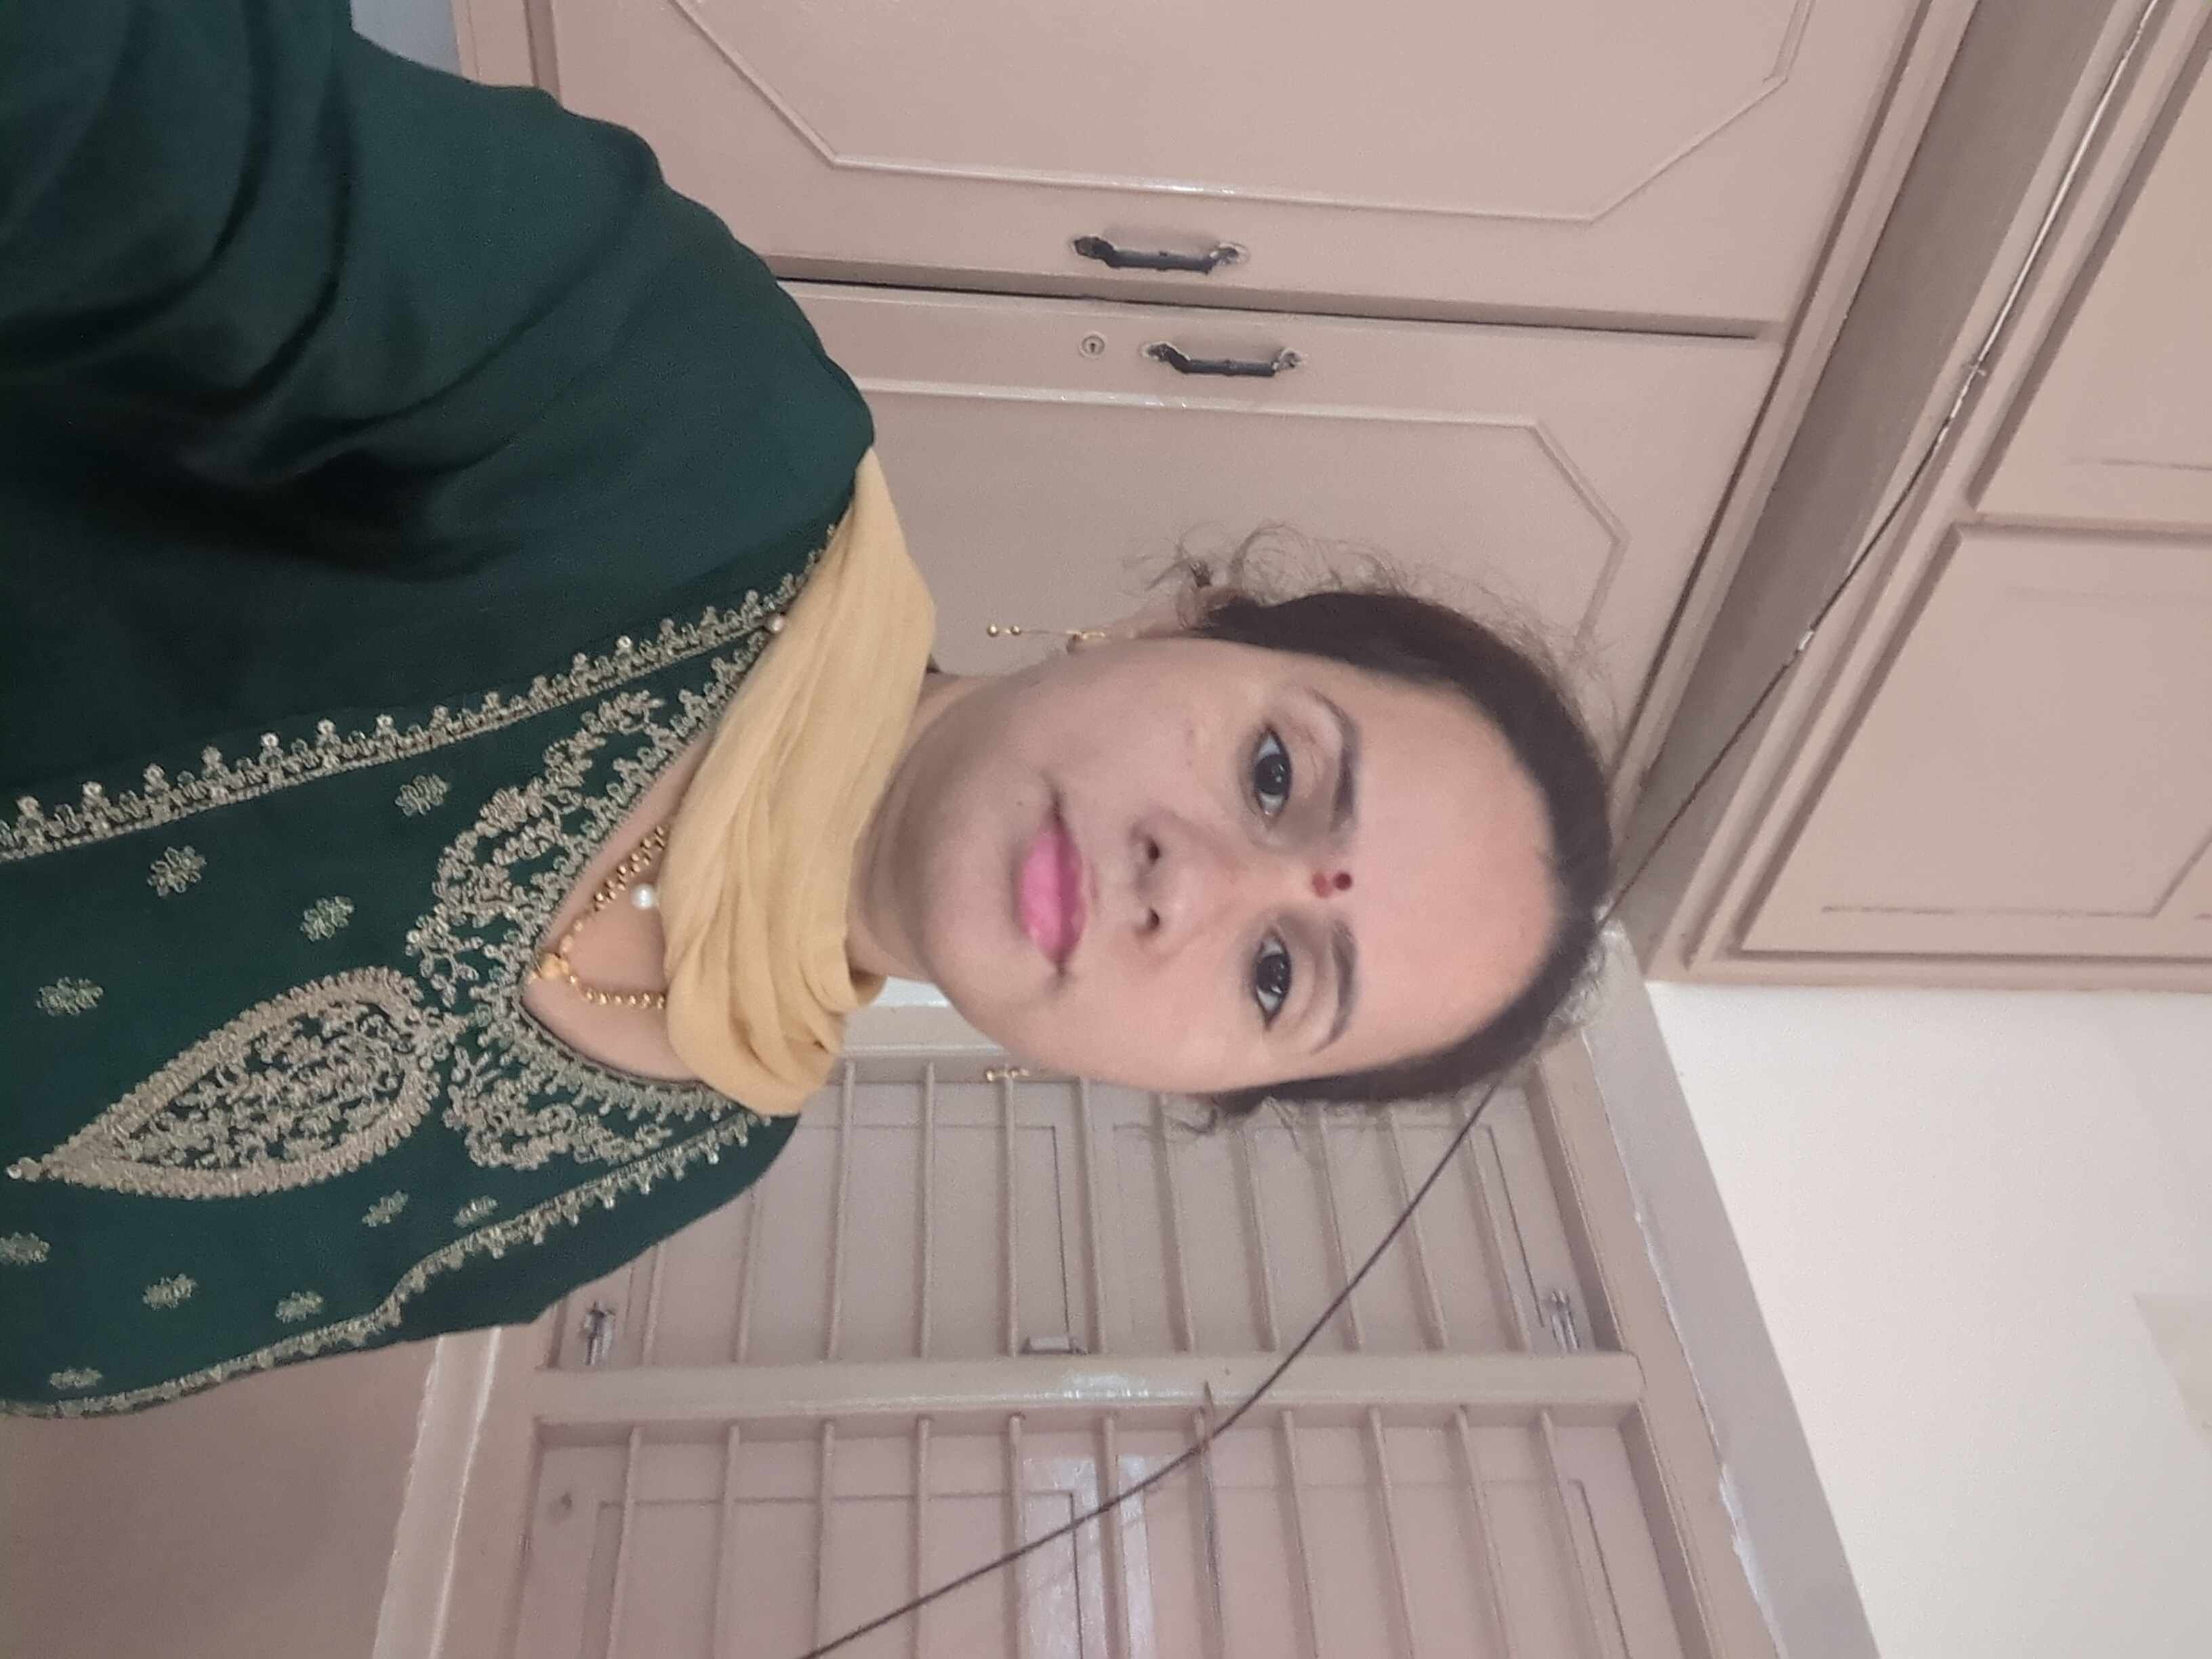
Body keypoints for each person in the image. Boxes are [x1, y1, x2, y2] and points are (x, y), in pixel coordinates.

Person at [0, 0, 1610, 1416]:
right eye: (1273, 773)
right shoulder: (674, 414)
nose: (1190, 884)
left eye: (1276, 976)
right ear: (1165, 625)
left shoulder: (680, 1159)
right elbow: (123, 106)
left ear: (1189, 1087)